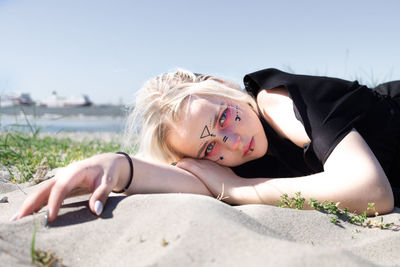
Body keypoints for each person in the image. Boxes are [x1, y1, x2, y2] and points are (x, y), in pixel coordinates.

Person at [11, 68, 400, 223]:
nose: (232, 144)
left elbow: (372, 192)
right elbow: (188, 178)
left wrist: (237, 189)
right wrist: (113, 165)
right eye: (211, 150)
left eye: (224, 117)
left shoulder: (277, 101)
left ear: (226, 89)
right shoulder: (234, 155)